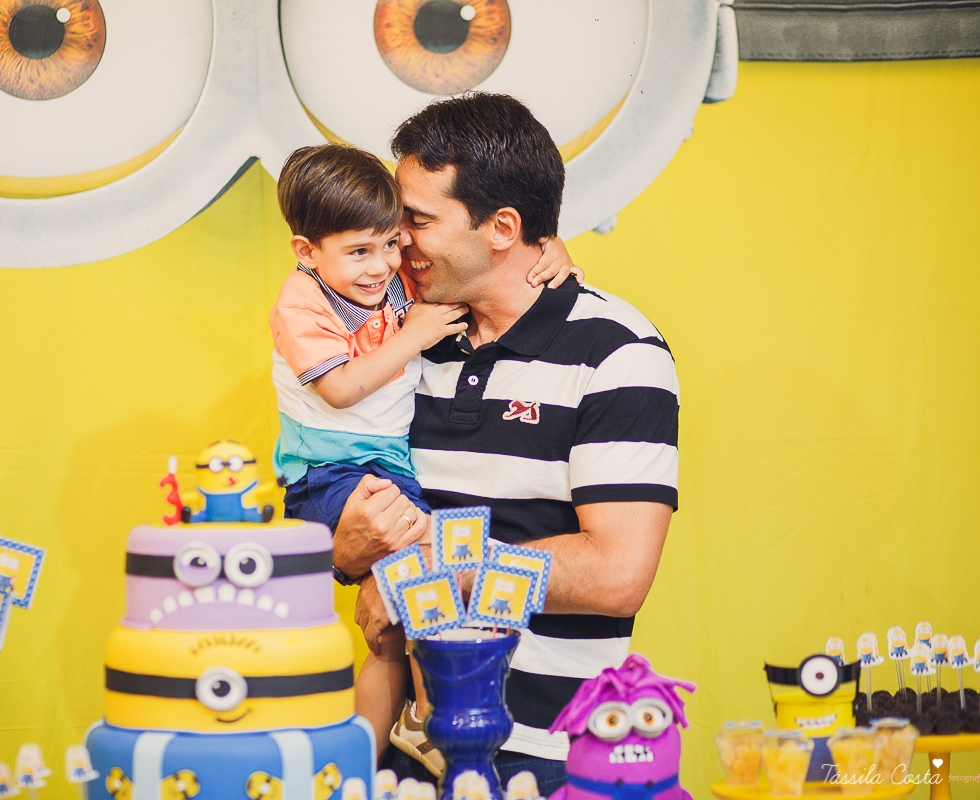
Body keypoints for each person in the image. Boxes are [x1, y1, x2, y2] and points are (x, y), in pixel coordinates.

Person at [330, 94, 680, 796]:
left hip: (548, 757)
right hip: (408, 749)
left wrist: (430, 569)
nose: (395, 238)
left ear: (503, 228)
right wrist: (348, 550)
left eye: (417, 219)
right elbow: (349, 531)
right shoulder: (398, 341)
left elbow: (617, 575)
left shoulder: (616, 352)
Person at [268, 143, 581, 765]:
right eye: (361, 250)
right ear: (307, 251)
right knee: (421, 578)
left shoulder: (386, 277)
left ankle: (371, 753)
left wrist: (553, 249)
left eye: (392, 242)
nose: (385, 263)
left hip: (385, 468)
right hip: (330, 473)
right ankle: (421, 718)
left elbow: (485, 259)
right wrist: (413, 335)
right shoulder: (301, 304)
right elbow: (340, 389)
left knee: (391, 627)